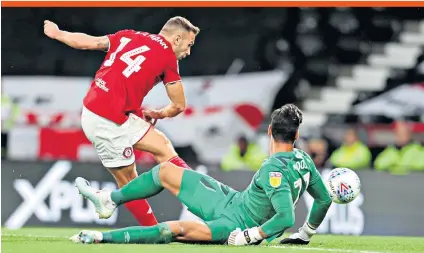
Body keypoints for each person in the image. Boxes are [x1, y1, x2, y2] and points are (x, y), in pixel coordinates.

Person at [70, 104, 332, 246]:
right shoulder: (304, 160)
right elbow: (323, 199)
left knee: (172, 230)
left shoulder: (274, 169)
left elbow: (285, 216)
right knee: (166, 171)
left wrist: (249, 237)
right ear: (297, 135)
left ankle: (100, 237)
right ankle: (110, 199)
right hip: (232, 202)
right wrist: (306, 234)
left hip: (236, 226)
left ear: (269, 131)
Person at [43, 16, 200, 226]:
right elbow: (179, 105)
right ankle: (152, 230)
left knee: (162, 146)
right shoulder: (167, 56)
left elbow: (91, 41)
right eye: (189, 45)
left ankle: (202, 197)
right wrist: (160, 114)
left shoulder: (128, 36)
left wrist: (59, 34)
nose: (189, 52)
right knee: (129, 181)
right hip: (103, 120)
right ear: (177, 38)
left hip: (118, 114)